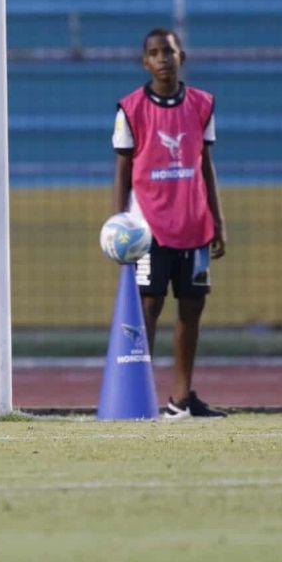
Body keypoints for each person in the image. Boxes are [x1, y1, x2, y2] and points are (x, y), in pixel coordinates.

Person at [112, 28, 227, 418]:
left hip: (195, 225)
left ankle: (181, 399)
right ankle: (137, 397)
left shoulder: (202, 105)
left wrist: (218, 220)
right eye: (155, 52)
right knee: (148, 307)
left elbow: (205, 165)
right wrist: (120, 224)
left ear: (182, 57)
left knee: (192, 307)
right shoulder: (130, 109)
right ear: (145, 62)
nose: (163, 58)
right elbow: (123, 171)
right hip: (149, 229)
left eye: (170, 51)